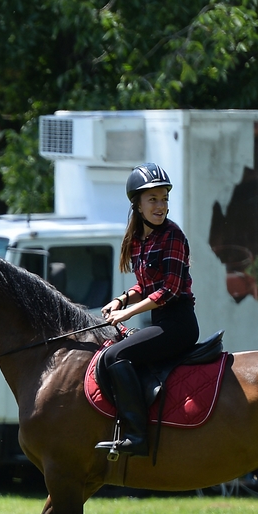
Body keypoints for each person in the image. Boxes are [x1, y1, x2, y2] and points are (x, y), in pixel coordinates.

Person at [95, 162, 199, 457]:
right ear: (137, 205)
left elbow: (169, 290)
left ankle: (138, 437)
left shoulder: (173, 236)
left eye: (164, 198)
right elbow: (146, 284)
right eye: (153, 199)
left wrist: (126, 314)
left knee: (115, 356)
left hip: (177, 325)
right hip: (160, 322)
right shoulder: (140, 241)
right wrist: (121, 299)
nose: (161, 206)